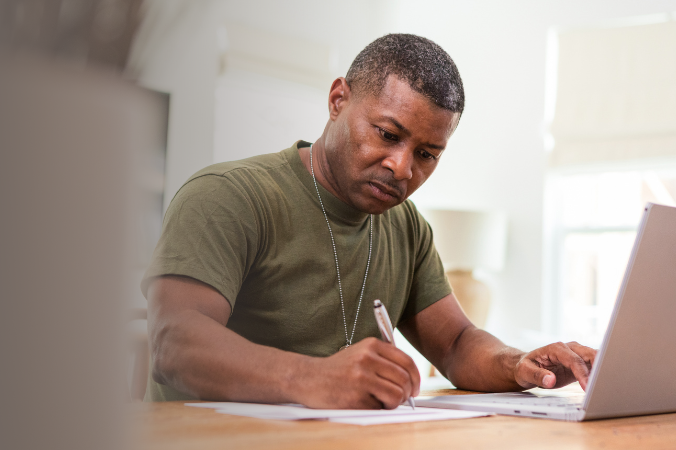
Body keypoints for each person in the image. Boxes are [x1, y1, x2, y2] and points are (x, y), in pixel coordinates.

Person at [143, 33, 596, 408]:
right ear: (338, 99)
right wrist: (311, 377)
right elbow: (174, 342)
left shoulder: (405, 225)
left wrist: (518, 364)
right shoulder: (229, 195)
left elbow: (456, 343)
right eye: (387, 134)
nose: (402, 167)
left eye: (426, 154)